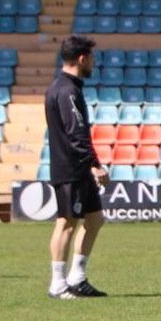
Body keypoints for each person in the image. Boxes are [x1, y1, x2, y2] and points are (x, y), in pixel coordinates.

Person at [42, 35, 109, 299]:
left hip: (76, 167)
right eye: (91, 58)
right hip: (71, 168)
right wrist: (95, 165)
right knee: (66, 222)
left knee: (95, 219)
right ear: (82, 58)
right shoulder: (67, 91)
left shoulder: (62, 87)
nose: (93, 63)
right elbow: (76, 132)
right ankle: (57, 283)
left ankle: (77, 277)